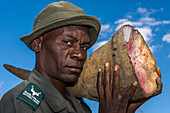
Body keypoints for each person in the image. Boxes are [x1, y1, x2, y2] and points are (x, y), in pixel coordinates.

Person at [0, 1, 162, 113]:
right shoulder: (20, 103)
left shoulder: (79, 104)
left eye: (84, 46)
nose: (79, 54)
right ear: (38, 44)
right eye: (67, 42)